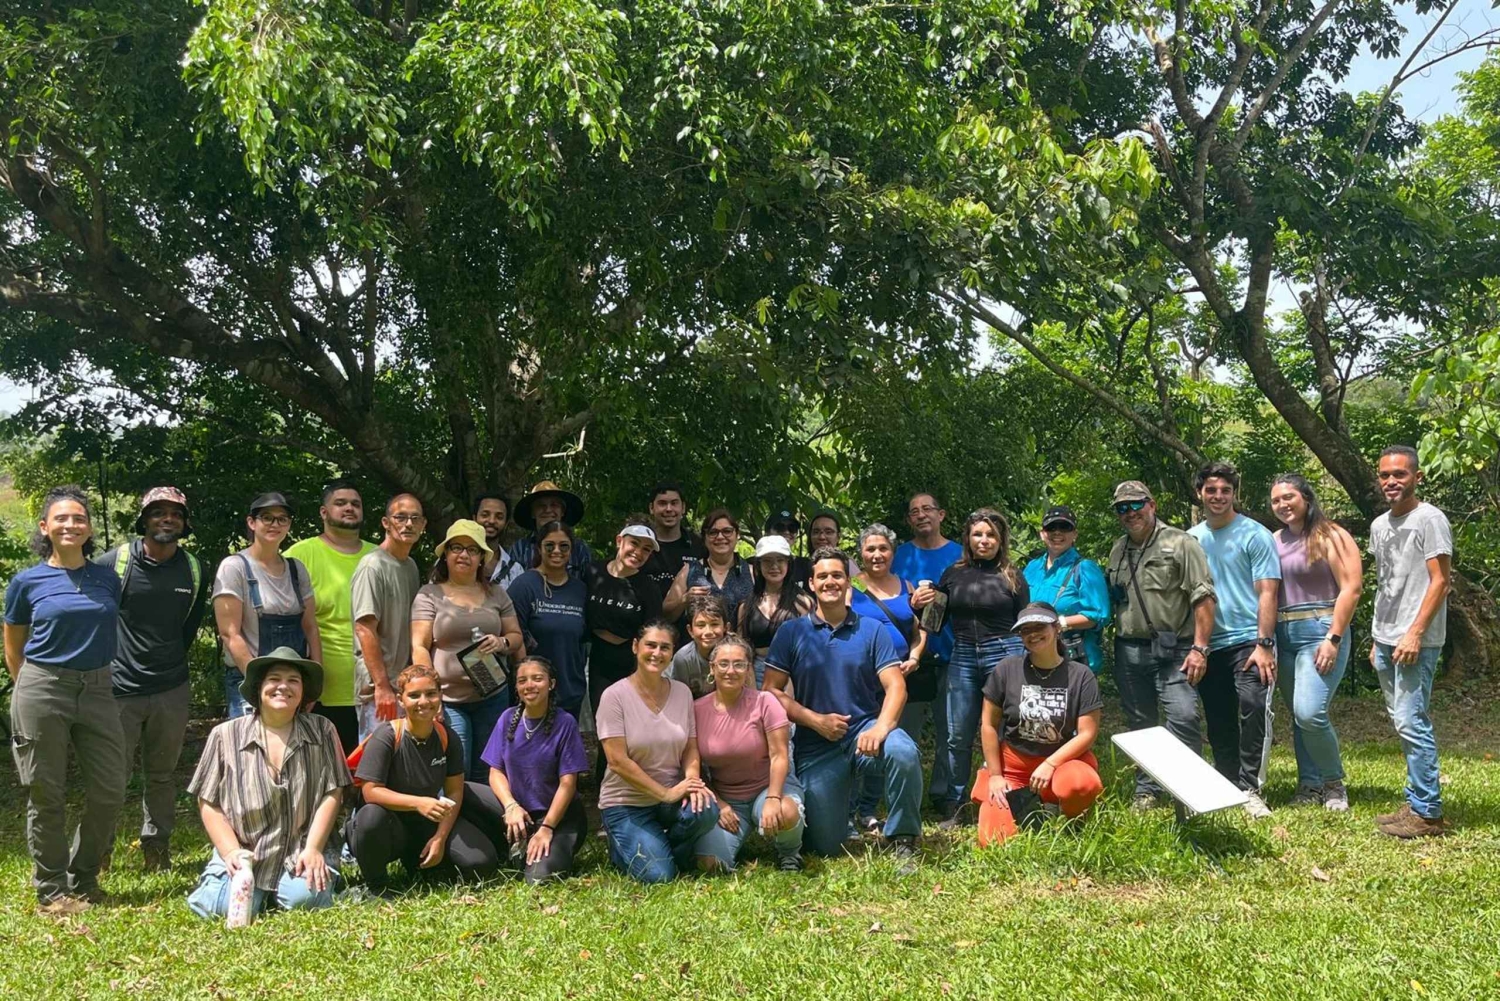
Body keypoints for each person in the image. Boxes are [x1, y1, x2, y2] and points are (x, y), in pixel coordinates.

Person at [3, 485, 125, 917]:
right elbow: (14, 645)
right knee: (46, 792)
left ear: (89, 528)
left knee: (111, 789)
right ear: (45, 527)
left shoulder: (106, 578)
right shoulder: (27, 581)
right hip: (42, 687)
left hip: (97, 688)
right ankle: (52, 889)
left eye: (79, 518)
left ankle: (84, 877)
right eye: (62, 518)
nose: (71, 525)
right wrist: (30, 688)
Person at [765, 549, 923, 868]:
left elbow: (896, 686)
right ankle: (842, 811)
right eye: (822, 576)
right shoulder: (791, 632)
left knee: (903, 752)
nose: (830, 582)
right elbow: (770, 690)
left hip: (864, 732)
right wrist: (813, 720)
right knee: (824, 846)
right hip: (816, 744)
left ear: (847, 582)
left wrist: (881, 727)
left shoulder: (871, 630)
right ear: (811, 583)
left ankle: (903, 839)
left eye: (837, 575)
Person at [186, 647, 350, 919]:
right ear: (259, 688)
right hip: (247, 851)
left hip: (298, 849)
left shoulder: (322, 730)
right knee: (220, 908)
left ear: (302, 692)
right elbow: (207, 801)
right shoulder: (225, 735)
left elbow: (333, 792)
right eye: (274, 679)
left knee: (306, 900)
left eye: (293, 680)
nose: (283, 687)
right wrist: (231, 852)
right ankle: (248, 890)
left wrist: (314, 848)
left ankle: (285, 890)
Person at [96, 486, 209, 873]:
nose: (167, 519)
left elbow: (189, 627)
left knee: (161, 775)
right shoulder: (116, 562)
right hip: (119, 688)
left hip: (170, 687)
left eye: (175, 514)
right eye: (158, 512)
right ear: (144, 519)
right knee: (112, 774)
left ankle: (157, 849)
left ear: (184, 522)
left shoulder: (193, 568)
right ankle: (98, 852)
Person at [911, 508, 1030, 826]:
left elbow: (1027, 625)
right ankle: (957, 804)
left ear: (1000, 539)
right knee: (957, 734)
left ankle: (1011, 798)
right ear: (968, 538)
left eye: (991, 534)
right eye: (978, 534)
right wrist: (919, 604)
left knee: (1007, 730)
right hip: (962, 654)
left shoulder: (1013, 576)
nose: (984, 540)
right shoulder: (953, 574)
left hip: (1005, 653)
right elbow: (933, 623)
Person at [1104, 480, 1216, 809]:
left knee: (1183, 717)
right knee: (1140, 722)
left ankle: (1189, 789)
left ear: (1152, 504)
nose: (1130, 512)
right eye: (1122, 508)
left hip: (1176, 648)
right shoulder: (1117, 549)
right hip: (1129, 648)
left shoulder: (1181, 543)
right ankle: (1147, 789)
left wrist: (1200, 648)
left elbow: (1204, 597)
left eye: (1136, 504)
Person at [344, 665, 499, 896]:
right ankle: (376, 886)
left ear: (440, 696)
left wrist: (440, 837)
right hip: (388, 824)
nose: (423, 701)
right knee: (370, 815)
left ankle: (420, 863)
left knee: (481, 863)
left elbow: (454, 793)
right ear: (401, 700)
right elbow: (371, 792)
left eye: (431, 693)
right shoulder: (386, 736)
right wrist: (419, 802)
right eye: (414, 695)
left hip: (426, 821)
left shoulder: (448, 737)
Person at [1188, 462, 1282, 818]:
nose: (1218, 497)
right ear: (1200, 494)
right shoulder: (1191, 539)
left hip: (1249, 641)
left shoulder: (1255, 535)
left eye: (1225, 491)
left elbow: (1268, 593)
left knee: (1254, 707)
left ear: (1234, 494)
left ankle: (1251, 788)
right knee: (1218, 717)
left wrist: (1264, 644)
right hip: (1210, 643)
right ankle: (1227, 783)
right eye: (1211, 490)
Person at [1369, 446, 1453, 839]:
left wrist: (1415, 632)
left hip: (1414, 640)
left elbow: (1440, 581)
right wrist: (1376, 637)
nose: (1391, 481)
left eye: (1400, 474)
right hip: (1386, 637)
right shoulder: (1379, 525)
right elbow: (1388, 584)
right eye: (1385, 475)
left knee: (1411, 720)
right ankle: (1416, 800)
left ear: (1417, 477)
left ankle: (1428, 813)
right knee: (1403, 722)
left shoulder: (1429, 520)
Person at [596, 622, 719, 883]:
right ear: (635, 647)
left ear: (672, 653)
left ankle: (660, 846)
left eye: (665, 647)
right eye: (650, 645)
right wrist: (665, 794)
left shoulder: (682, 692)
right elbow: (617, 761)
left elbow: (690, 747)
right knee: (659, 877)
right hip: (626, 803)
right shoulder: (614, 696)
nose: (657, 653)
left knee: (706, 808)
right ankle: (624, 848)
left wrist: (693, 783)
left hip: (671, 799)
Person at [1269, 473, 1361, 812]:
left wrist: (1333, 638)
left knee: (1310, 712)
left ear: (1306, 498)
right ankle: (1309, 784)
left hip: (1321, 630)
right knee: (1297, 714)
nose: (1282, 504)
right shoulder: (1273, 540)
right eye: (1276, 500)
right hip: (1283, 633)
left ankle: (1333, 783)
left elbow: (1351, 587)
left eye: (1288, 497)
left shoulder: (1331, 535)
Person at [976, 603, 1103, 843]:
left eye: (1039, 626)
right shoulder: (1007, 669)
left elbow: (1087, 733)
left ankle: (1068, 820)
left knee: (1080, 784)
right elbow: (989, 725)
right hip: (1014, 766)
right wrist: (995, 775)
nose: (1033, 634)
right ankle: (1038, 808)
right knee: (992, 841)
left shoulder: (1080, 675)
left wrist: (1051, 763)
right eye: (1026, 630)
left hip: (1062, 762)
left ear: (1056, 628)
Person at [410, 519, 525, 781]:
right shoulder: (429, 594)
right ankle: (455, 821)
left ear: (482, 558)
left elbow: (516, 637)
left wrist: (501, 643)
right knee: (456, 770)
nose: (464, 555)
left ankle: (484, 821)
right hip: (449, 700)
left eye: (473, 550)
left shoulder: (497, 593)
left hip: (491, 696)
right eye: (457, 548)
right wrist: (432, 693)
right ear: (446, 554)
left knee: (488, 769)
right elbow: (419, 646)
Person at [466, 656, 591, 883]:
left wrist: (547, 827)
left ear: (551, 684)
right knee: (465, 792)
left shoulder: (565, 723)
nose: (529, 685)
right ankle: (499, 849)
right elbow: (495, 772)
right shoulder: (507, 718)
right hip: (518, 812)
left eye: (537, 679)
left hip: (556, 816)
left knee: (538, 879)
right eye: (522, 680)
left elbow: (568, 784)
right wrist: (511, 805)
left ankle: (538, 849)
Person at [693, 635, 806, 872]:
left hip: (769, 787)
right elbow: (695, 769)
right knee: (709, 865)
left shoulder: (765, 702)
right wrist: (720, 804)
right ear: (712, 668)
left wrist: (774, 798)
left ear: (748, 669)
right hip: (728, 799)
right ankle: (736, 839)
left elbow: (780, 755)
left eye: (739, 664)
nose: (730, 671)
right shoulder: (696, 710)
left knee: (785, 813)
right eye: (723, 663)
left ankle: (789, 854)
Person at [286, 479, 379, 753]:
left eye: (355, 504)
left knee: (367, 775)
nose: (349, 508)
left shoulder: (379, 557)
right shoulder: (299, 555)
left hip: (372, 687)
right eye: (340, 503)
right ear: (324, 513)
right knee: (322, 773)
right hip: (321, 689)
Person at [213, 492, 321, 719]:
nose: (275, 524)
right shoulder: (235, 568)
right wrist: (258, 683)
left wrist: (314, 682)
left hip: (292, 683)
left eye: (282, 518)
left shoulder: (296, 569)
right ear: (252, 523)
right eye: (267, 517)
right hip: (247, 682)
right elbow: (229, 633)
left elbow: (310, 627)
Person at [849, 523, 927, 833]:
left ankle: (871, 808)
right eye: (870, 549)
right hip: (863, 680)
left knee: (889, 741)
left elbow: (919, 630)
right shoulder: (849, 586)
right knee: (859, 742)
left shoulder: (908, 587)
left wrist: (915, 657)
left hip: (899, 678)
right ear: (861, 553)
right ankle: (852, 807)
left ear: (893, 552)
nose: (877, 554)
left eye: (883, 548)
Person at [892, 491, 962, 814]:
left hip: (953, 654)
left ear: (941, 515)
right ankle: (908, 796)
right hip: (909, 659)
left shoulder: (961, 554)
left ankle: (945, 795)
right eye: (914, 511)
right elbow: (887, 596)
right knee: (906, 732)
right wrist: (911, 603)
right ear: (909, 520)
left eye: (927, 509)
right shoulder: (898, 555)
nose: (921, 515)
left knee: (951, 731)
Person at [351, 493, 426, 741]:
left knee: (404, 768)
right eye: (400, 517)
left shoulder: (411, 566)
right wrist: (382, 686)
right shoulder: (372, 566)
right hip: (379, 691)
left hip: (404, 687)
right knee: (376, 768)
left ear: (423, 525)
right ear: (385, 523)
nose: (408, 524)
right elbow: (364, 628)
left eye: (415, 518)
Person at [584, 522, 665, 727]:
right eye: (634, 544)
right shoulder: (593, 572)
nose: (638, 552)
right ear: (619, 541)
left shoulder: (648, 588)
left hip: (628, 659)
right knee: (602, 723)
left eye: (646, 550)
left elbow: (652, 632)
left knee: (628, 724)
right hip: (594, 657)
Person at [506, 521, 590, 719]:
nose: (557, 551)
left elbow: (583, 639)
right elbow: (515, 636)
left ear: (572, 550)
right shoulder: (524, 585)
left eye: (564, 546)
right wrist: (525, 683)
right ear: (539, 548)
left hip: (570, 690)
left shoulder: (580, 589)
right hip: (532, 692)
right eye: (550, 545)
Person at [1021, 505, 1111, 674]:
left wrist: (1058, 624)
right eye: (1051, 527)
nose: (1057, 532)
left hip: (1074, 660)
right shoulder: (1031, 568)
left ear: (1074, 534)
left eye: (1065, 527)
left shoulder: (1085, 568)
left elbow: (1097, 615)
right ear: (1042, 533)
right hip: (1034, 656)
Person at [739, 535, 814, 688]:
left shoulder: (803, 603)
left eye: (780, 560)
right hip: (755, 672)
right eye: (767, 561)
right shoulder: (746, 606)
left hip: (794, 673)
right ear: (758, 565)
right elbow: (742, 648)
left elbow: (811, 648)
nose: (774, 566)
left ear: (788, 564)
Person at [677, 508, 755, 629]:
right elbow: (665, 614)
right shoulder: (689, 570)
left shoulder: (752, 572)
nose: (720, 537)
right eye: (713, 532)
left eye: (727, 531)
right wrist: (684, 600)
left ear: (737, 534)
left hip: (740, 645)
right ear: (704, 538)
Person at [643, 481, 706, 619]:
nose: (669, 509)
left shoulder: (698, 545)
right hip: (645, 625)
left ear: (683, 508)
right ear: (651, 508)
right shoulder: (641, 543)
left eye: (674, 503)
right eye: (662, 503)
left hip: (690, 629)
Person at [510, 481, 593, 578]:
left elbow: (589, 585)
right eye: (541, 505)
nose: (548, 510)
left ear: (562, 512)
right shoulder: (520, 549)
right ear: (532, 512)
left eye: (554, 505)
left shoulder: (579, 548)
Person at [668, 593, 729, 697]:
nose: (708, 631)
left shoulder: (736, 653)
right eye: (701, 625)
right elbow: (680, 698)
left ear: (726, 628)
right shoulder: (683, 658)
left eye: (714, 624)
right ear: (690, 630)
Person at [474, 493, 524, 589]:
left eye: (499, 517)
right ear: (474, 518)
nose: (492, 521)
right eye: (485, 515)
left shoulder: (515, 570)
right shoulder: (454, 560)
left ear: (506, 523)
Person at [764, 508, 812, 592]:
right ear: (767, 533)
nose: (786, 532)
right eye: (780, 528)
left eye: (792, 528)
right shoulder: (754, 565)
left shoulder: (806, 566)